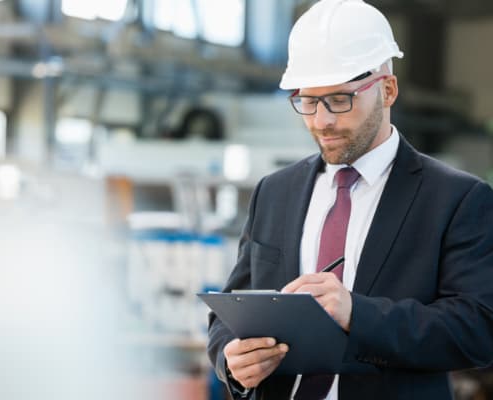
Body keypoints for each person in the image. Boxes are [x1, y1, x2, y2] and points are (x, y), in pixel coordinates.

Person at [207, 0, 493, 399]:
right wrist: (232, 361)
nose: (321, 120)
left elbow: (477, 331)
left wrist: (357, 314)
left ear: (387, 90)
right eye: (307, 101)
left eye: (340, 100)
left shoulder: (456, 199)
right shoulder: (274, 192)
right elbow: (231, 312)